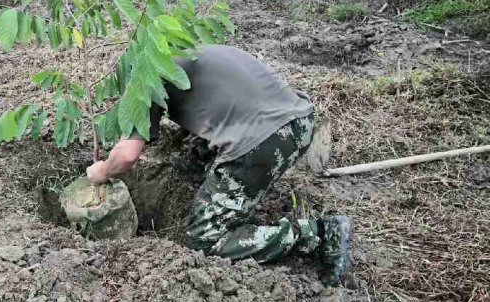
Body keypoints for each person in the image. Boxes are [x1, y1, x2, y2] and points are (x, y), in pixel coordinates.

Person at [86, 45, 351, 286]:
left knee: (205, 240)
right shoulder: (187, 53)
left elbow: (128, 156)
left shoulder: (143, 81)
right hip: (300, 120)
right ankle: (216, 199)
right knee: (189, 162)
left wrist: (101, 171)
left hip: (263, 143)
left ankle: (318, 234)